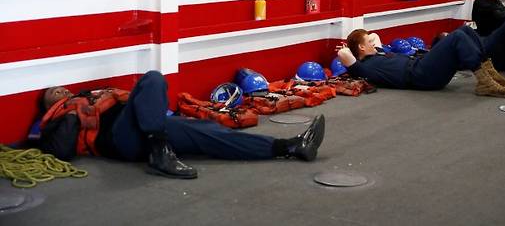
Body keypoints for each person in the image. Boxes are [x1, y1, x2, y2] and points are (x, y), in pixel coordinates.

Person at [39, 71, 325, 179]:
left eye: (63, 88)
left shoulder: (96, 93)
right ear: (49, 104)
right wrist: (72, 111)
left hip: (152, 131)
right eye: (54, 93)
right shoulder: (59, 115)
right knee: (152, 77)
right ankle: (160, 152)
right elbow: (60, 150)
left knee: (210, 134)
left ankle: (290, 146)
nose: (61, 91)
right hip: (118, 140)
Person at [336, 26, 505, 98]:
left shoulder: (378, 53)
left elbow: (374, 36)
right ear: (361, 48)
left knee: (465, 30)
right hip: (420, 74)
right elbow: (345, 54)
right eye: (368, 43)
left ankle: (489, 72)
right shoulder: (364, 68)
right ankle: (484, 82)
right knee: (456, 37)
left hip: (422, 64)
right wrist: (347, 47)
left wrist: (366, 40)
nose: (373, 43)